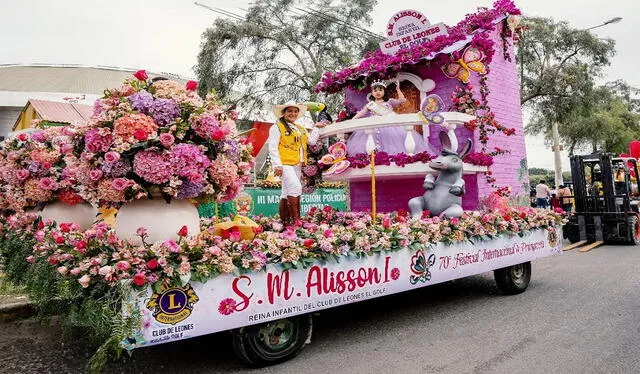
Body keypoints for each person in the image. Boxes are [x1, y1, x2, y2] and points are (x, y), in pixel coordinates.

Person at [268, 101, 327, 226]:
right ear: (283, 113)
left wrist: (316, 127)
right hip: (284, 163)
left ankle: (285, 223)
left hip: (298, 164)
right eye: (289, 111)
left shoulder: (300, 128)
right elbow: (272, 147)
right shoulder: (277, 127)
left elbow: (311, 142)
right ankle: (296, 222)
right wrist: (277, 165)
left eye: (295, 111)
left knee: (286, 191)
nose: (293, 113)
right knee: (296, 187)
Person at [346, 80, 426, 156]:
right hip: (374, 127)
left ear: (384, 92)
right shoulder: (370, 104)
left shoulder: (389, 102)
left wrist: (398, 89)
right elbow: (361, 112)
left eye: (380, 90)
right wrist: (353, 120)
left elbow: (402, 100)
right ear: (372, 93)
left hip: (389, 126)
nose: (378, 92)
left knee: (391, 143)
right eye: (375, 90)